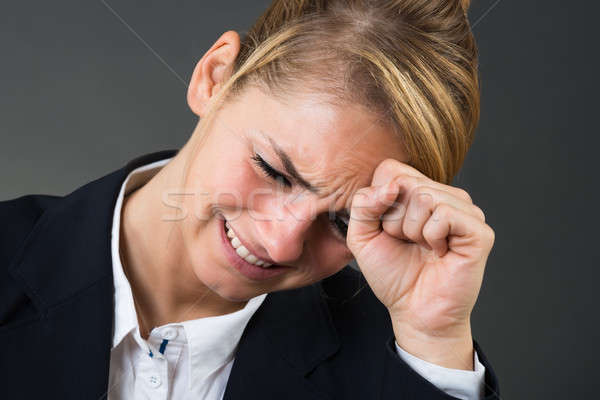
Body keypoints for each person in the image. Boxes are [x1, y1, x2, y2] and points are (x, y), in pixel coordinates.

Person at [0, 0, 500, 399]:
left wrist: (435, 344)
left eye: (342, 222)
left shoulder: (397, 365)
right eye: (274, 171)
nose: (282, 244)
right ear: (214, 77)